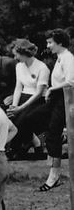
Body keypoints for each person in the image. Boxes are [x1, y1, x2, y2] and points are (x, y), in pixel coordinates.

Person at [34, 29, 74, 192]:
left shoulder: (68, 58)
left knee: (53, 133)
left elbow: (71, 81)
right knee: (38, 123)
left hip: (65, 99)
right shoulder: (59, 59)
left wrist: (51, 89)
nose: (48, 45)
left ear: (60, 43)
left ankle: (54, 175)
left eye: (51, 42)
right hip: (57, 98)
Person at [6, 39, 50, 159]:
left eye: (17, 54)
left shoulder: (42, 68)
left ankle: (21, 147)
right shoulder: (19, 66)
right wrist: (14, 106)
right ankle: (35, 143)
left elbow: (39, 92)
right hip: (23, 96)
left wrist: (20, 108)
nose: (15, 57)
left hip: (38, 99)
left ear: (24, 53)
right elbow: (18, 87)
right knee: (12, 118)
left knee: (23, 120)